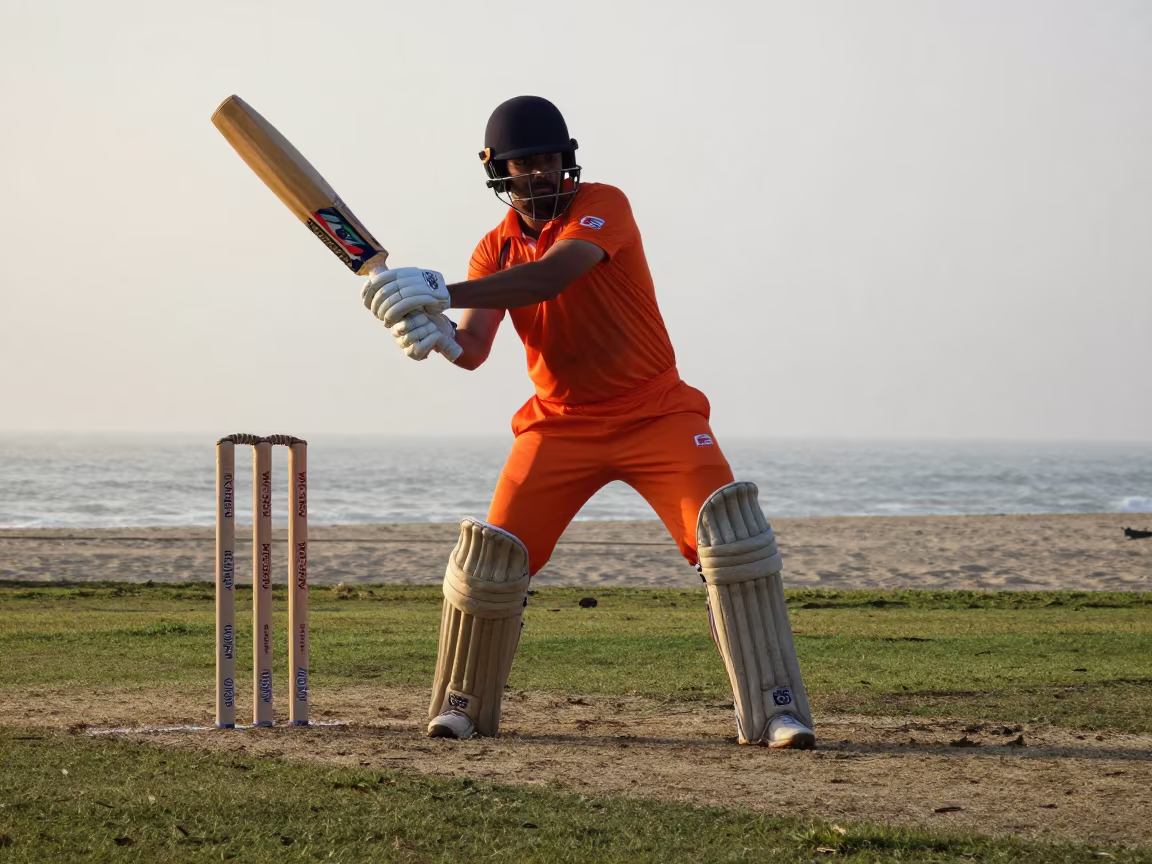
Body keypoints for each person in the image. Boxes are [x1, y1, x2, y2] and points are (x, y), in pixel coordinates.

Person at [360, 96, 815, 749]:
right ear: (500, 171)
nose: (540, 174)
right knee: (491, 563)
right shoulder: (493, 249)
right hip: (558, 427)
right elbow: (475, 351)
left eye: (549, 160)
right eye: (526, 164)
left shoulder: (606, 204)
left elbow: (551, 277)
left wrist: (441, 289)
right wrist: (434, 333)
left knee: (732, 543)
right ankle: (463, 704)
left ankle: (776, 710)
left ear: (567, 160)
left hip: (656, 410)